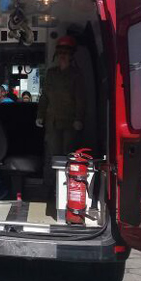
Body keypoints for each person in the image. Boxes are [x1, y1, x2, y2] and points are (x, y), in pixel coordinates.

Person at [36, 35, 86, 185]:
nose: (63, 56)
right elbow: (44, 96)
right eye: (61, 53)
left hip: (70, 123)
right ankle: (51, 187)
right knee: (52, 154)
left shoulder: (76, 75)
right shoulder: (51, 74)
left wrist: (79, 119)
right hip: (52, 122)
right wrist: (40, 115)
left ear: (71, 56)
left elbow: (80, 99)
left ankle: (66, 186)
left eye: (66, 53)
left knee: (68, 155)